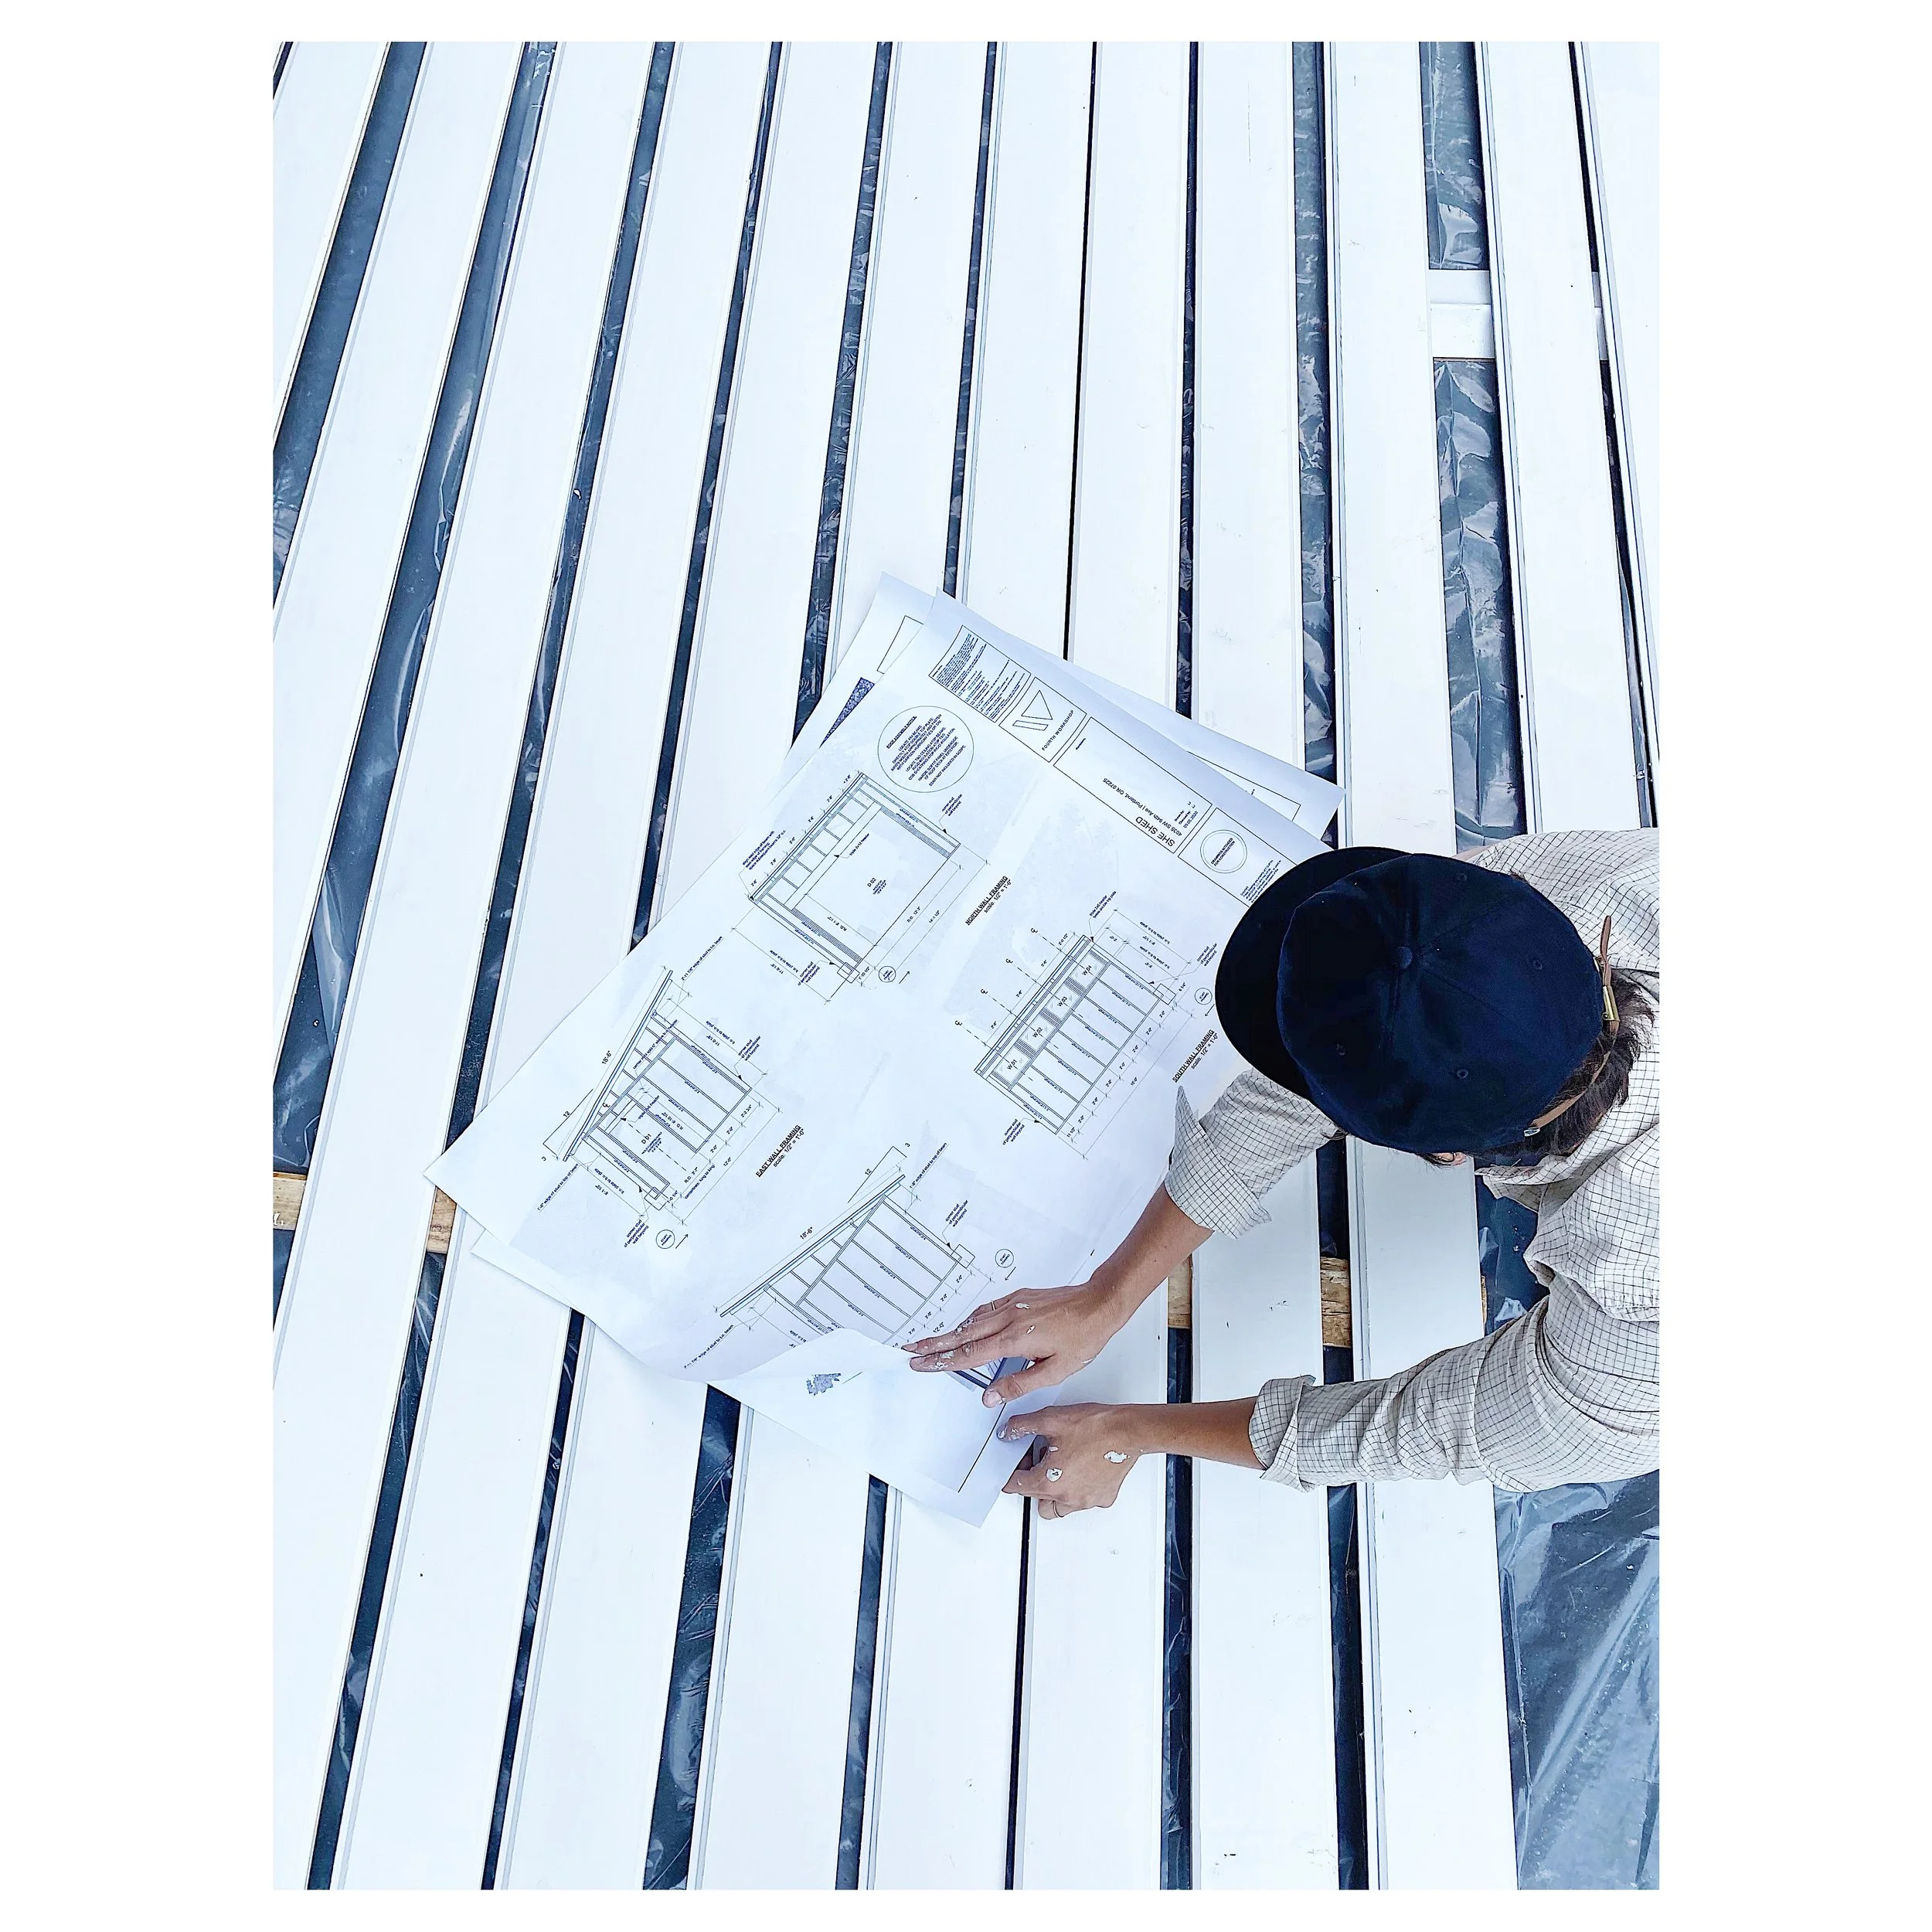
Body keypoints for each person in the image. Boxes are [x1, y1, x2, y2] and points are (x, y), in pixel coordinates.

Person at [905, 827, 1658, 1520]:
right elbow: (1333, 1059)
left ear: (1446, 1155)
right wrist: (1108, 1294)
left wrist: (1125, 1428)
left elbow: (1435, 1424)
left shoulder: (1645, 1312)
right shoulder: (1503, 913)